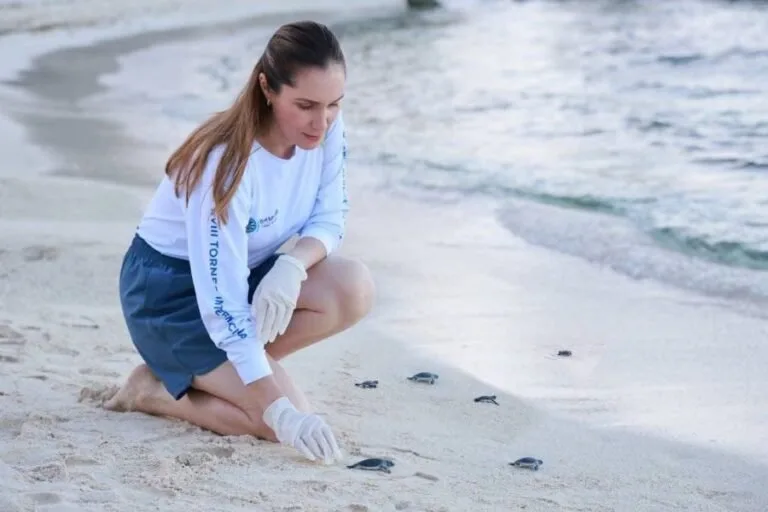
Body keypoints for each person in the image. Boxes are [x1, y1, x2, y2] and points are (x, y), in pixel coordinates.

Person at [104, 20, 375, 465]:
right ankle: (151, 391)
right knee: (276, 421)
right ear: (267, 88)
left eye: (332, 105)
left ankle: (210, 372)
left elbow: (330, 216)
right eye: (305, 105)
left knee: (352, 287)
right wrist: (278, 409)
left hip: (243, 273)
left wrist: (292, 266)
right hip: (169, 297)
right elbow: (222, 303)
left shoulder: (327, 127)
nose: (320, 122)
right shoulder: (225, 165)